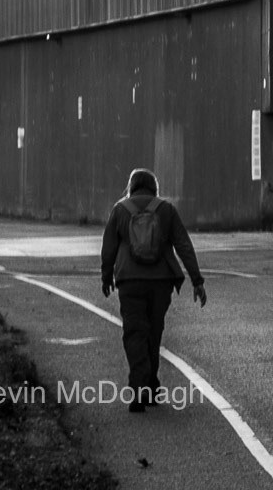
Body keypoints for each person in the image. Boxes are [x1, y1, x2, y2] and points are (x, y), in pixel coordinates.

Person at [100, 167, 207, 411]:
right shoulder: (165, 210)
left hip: (130, 281)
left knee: (135, 333)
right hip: (160, 282)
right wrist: (197, 280)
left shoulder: (120, 210)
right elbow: (183, 245)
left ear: (132, 186)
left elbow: (108, 248)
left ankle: (140, 387)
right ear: (153, 187)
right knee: (153, 333)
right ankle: (149, 386)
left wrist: (106, 276)